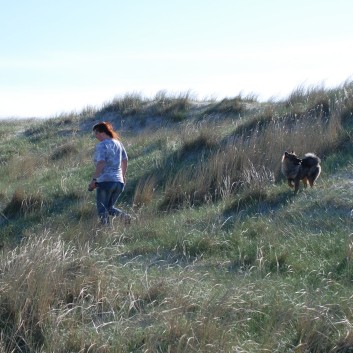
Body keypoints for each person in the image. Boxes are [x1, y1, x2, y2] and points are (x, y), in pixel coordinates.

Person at [88, 121, 130, 225]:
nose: (96, 136)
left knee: (102, 210)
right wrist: (123, 176)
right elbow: (125, 160)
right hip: (119, 182)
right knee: (110, 208)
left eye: (96, 134)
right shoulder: (118, 143)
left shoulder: (102, 145)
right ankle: (126, 217)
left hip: (105, 181)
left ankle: (106, 232)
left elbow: (101, 162)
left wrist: (94, 179)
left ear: (102, 132)